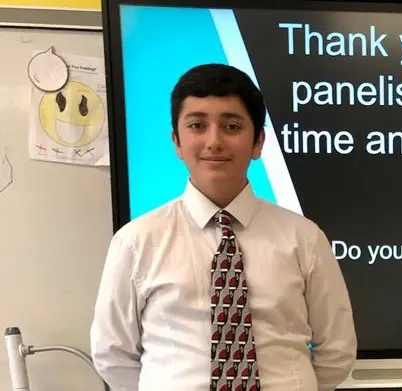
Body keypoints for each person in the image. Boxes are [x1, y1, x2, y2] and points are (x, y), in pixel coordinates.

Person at [90, 63, 357, 391]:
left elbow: (337, 350)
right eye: (197, 125)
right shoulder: (136, 241)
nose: (214, 141)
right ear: (176, 141)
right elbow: (112, 354)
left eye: (231, 126)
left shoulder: (304, 239)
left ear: (258, 142)